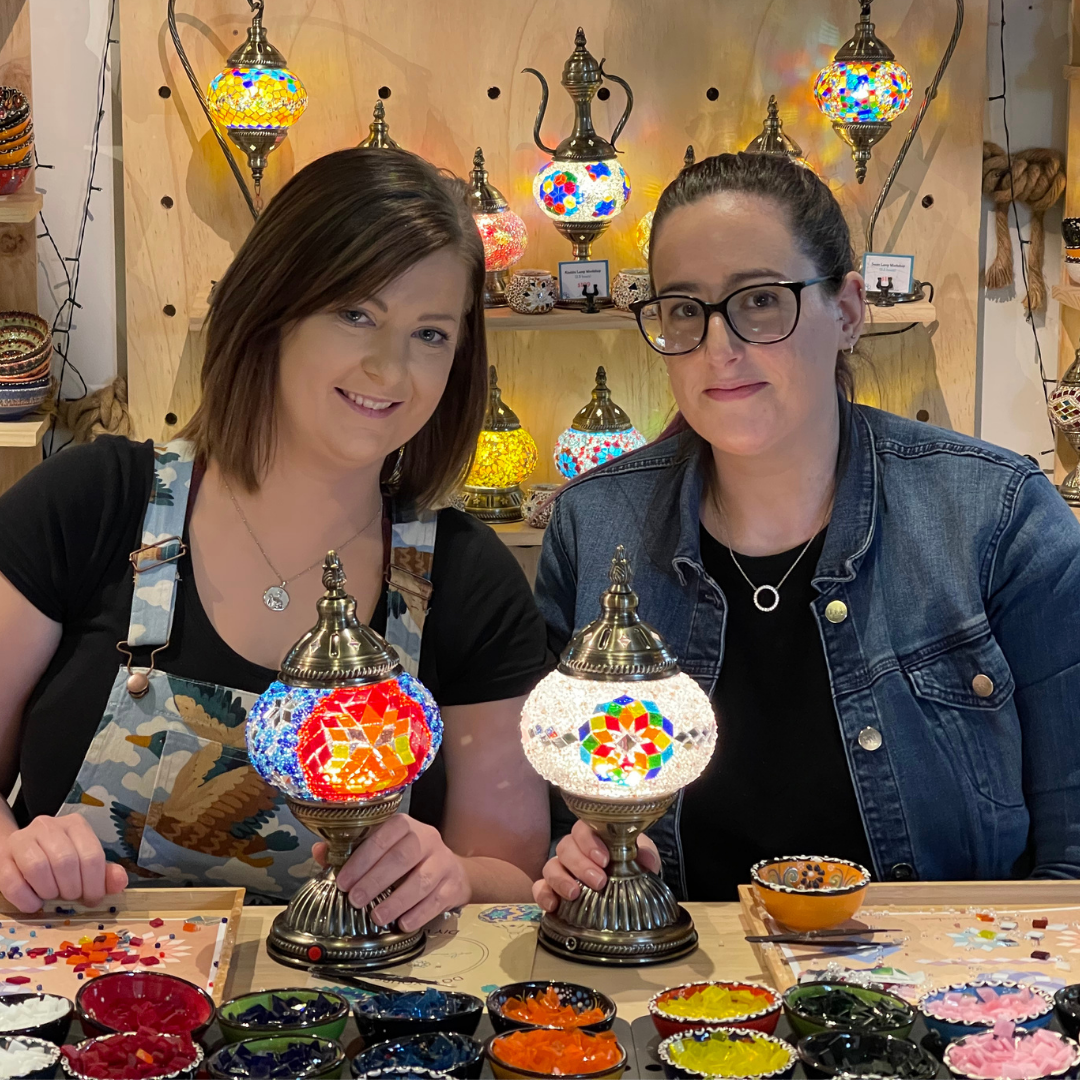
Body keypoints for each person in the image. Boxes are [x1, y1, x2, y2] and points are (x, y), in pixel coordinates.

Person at [0, 148, 552, 927]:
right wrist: (15, 859)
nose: (390, 369)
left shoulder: (467, 576)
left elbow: (513, 876)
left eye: (430, 334)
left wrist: (453, 877)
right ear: (272, 306)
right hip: (85, 989)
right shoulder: (93, 502)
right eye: (355, 314)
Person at [533, 151, 1080, 910]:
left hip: (951, 974)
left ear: (847, 311)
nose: (718, 348)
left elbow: (1071, 857)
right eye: (684, 309)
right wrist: (579, 864)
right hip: (679, 972)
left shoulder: (997, 517)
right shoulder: (595, 526)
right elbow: (553, 820)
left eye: (760, 300)